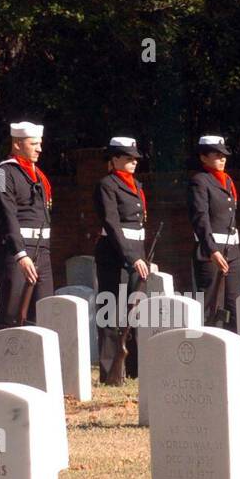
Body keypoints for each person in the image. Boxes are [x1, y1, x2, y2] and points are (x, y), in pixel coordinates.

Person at [93, 135, 149, 383]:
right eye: (128, 158)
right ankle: (109, 371)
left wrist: (142, 257)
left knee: (134, 310)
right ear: (114, 159)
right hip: (113, 253)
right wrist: (132, 257)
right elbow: (112, 224)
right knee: (110, 310)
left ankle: (135, 368)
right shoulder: (107, 185)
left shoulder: (136, 184)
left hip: (136, 253)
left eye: (135, 158)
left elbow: (138, 226)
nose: (134, 161)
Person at [0, 121, 53, 328]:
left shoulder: (39, 175)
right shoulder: (2, 173)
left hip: (41, 249)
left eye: (40, 143)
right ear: (17, 144)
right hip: (16, 251)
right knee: (10, 312)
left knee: (43, 311)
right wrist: (20, 254)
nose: (39, 149)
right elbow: (6, 214)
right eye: (33, 144)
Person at [187, 134, 240, 329]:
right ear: (203, 157)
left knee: (233, 305)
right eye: (217, 155)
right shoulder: (200, 181)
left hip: (231, 250)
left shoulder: (227, 181)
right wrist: (212, 250)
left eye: (223, 155)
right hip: (211, 251)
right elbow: (200, 218)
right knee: (212, 306)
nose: (222, 159)